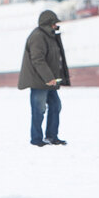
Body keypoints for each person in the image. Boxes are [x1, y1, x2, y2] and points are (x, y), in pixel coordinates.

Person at [18, 10, 71, 147]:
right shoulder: (38, 37)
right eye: (55, 23)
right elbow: (38, 60)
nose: (56, 26)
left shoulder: (50, 36)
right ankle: (36, 139)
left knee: (55, 106)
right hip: (39, 81)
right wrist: (49, 77)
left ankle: (52, 136)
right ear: (49, 24)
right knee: (39, 109)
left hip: (49, 81)